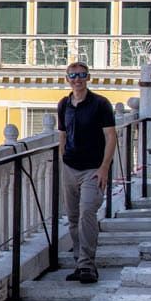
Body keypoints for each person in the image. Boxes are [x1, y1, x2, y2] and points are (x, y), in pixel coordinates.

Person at [57, 60, 117, 284]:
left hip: (93, 169)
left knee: (87, 214)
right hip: (70, 167)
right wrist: (64, 159)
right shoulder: (64, 105)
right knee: (72, 218)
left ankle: (87, 265)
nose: (78, 79)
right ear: (67, 79)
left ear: (88, 78)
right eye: (73, 75)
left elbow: (111, 136)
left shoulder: (100, 104)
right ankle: (79, 262)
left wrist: (104, 168)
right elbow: (62, 134)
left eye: (82, 75)